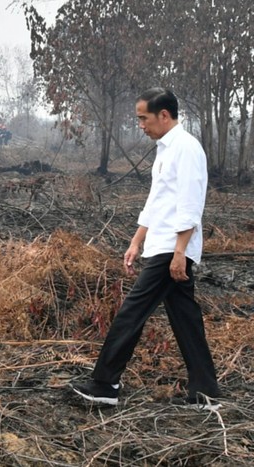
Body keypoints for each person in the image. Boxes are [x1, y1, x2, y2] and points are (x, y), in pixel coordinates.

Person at [72, 88, 220, 410]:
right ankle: (205, 392)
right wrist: (136, 241)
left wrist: (180, 251)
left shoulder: (187, 149)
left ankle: (104, 384)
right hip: (161, 244)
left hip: (172, 247)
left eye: (143, 118)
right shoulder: (165, 150)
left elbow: (190, 205)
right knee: (184, 318)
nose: (140, 125)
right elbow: (157, 202)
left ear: (163, 115)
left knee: (132, 311)